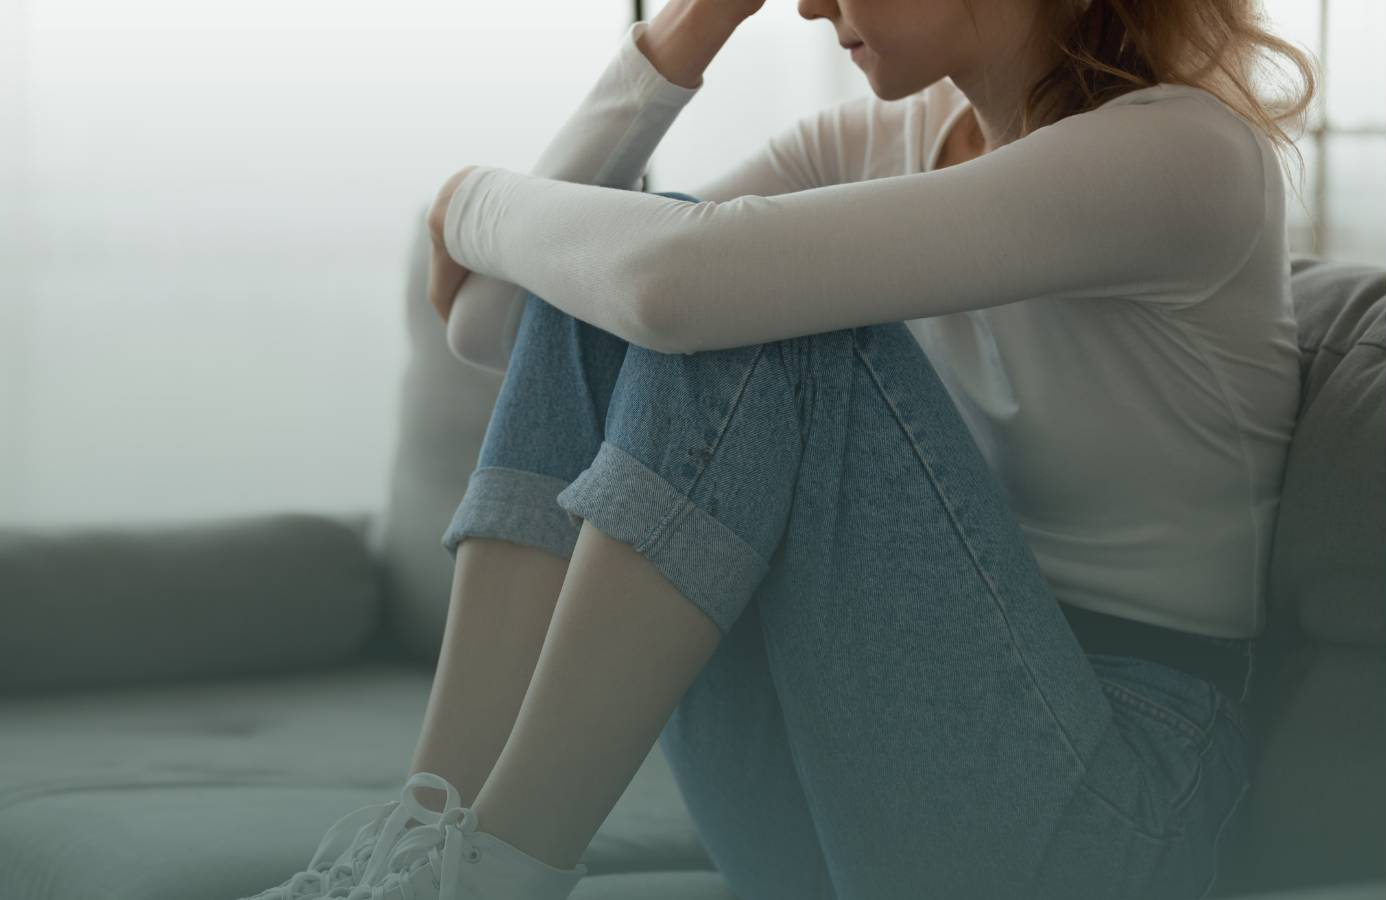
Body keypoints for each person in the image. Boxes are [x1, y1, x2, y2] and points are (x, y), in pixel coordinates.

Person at [243, 0, 1316, 898]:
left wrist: (468, 195)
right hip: (844, 746)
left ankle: (503, 869)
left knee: (728, 301)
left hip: (1106, 799)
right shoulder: (861, 148)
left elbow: (678, 285)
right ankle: (423, 835)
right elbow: (495, 321)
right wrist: (692, 28)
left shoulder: (1186, 155)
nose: (807, 5)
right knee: (615, 273)